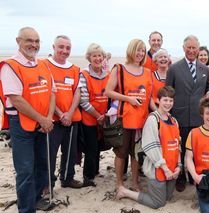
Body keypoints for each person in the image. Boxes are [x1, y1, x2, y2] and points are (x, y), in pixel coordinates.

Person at [0, 27, 55, 213]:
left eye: (37, 40)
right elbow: (16, 99)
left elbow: (51, 92)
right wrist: (42, 118)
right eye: (29, 40)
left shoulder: (42, 65)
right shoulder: (10, 66)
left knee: (42, 165)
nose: (34, 44)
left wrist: (48, 118)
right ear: (18, 41)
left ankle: (38, 199)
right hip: (22, 125)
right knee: (25, 170)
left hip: (43, 124)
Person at [116, 86, 181, 207]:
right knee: (158, 203)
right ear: (158, 100)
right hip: (158, 168)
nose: (168, 103)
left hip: (172, 169)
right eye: (165, 100)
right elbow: (151, 148)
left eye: (171, 100)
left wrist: (178, 166)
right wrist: (165, 168)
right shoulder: (153, 119)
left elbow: (178, 146)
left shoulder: (174, 121)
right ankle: (125, 192)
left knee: (167, 197)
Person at [105, 39, 155, 196]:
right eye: (137, 50)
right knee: (121, 152)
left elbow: (150, 97)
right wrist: (128, 99)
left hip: (141, 119)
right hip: (124, 118)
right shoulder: (119, 69)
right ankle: (119, 183)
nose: (140, 53)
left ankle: (134, 183)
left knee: (136, 154)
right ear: (131, 50)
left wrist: (158, 113)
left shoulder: (147, 72)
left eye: (142, 50)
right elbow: (108, 91)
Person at [166, 35, 209, 192]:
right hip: (180, 116)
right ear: (183, 48)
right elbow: (168, 92)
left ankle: (194, 175)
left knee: (196, 149)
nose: (192, 50)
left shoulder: (204, 68)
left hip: (198, 117)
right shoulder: (174, 68)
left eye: (194, 48)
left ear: (198, 49)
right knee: (180, 149)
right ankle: (180, 177)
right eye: (189, 47)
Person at [44, 35, 82, 189]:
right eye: (61, 47)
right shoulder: (44, 65)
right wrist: (61, 114)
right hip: (52, 118)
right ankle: (47, 183)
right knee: (49, 154)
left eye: (68, 48)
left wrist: (70, 113)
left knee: (70, 152)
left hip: (71, 118)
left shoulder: (74, 69)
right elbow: (45, 92)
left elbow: (77, 92)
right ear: (53, 47)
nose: (64, 51)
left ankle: (67, 178)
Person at [79, 43, 110, 187]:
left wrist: (106, 116)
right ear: (89, 57)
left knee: (99, 145)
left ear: (103, 58)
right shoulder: (84, 74)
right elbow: (83, 101)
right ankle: (88, 176)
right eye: (94, 56)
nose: (97, 58)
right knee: (91, 147)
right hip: (89, 118)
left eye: (100, 56)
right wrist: (98, 116)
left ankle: (96, 170)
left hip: (104, 118)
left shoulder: (107, 75)